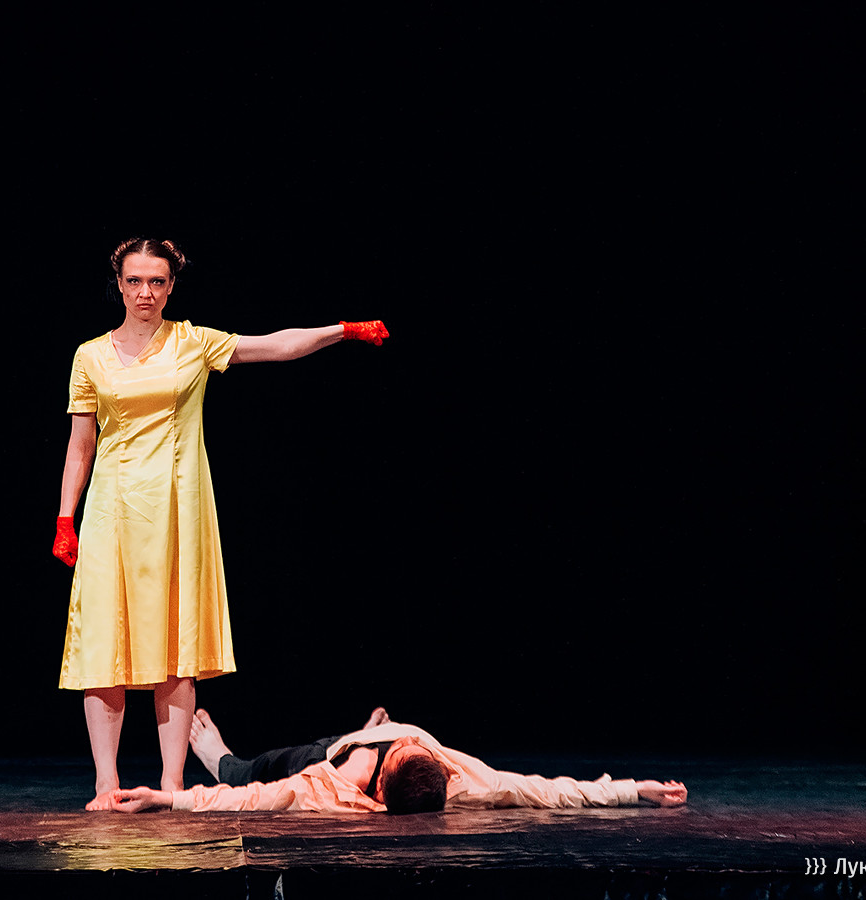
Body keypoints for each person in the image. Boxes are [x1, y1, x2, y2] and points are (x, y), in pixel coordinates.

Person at [54, 237, 389, 806]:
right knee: (105, 644)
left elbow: (275, 345)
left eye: (157, 281)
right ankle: (106, 783)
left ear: (171, 287)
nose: (145, 292)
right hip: (113, 510)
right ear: (119, 285)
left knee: (175, 647)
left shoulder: (192, 342)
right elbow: (80, 445)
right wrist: (66, 516)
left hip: (176, 509)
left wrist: (343, 331)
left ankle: (172, 783)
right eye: (135, 281)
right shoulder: (90, 356)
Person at [95, 708, 689, 814]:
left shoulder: (333, 787)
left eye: (404, 745)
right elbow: (551, 789)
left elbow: (252, 800)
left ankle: (220, 755)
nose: (415, 740)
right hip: (357, 743)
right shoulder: (461, 774)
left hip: (332, 754)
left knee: (249, 771)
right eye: (413, 746)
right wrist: (634, 788)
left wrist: (164, 797)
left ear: (379, 787)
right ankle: (369, 727)